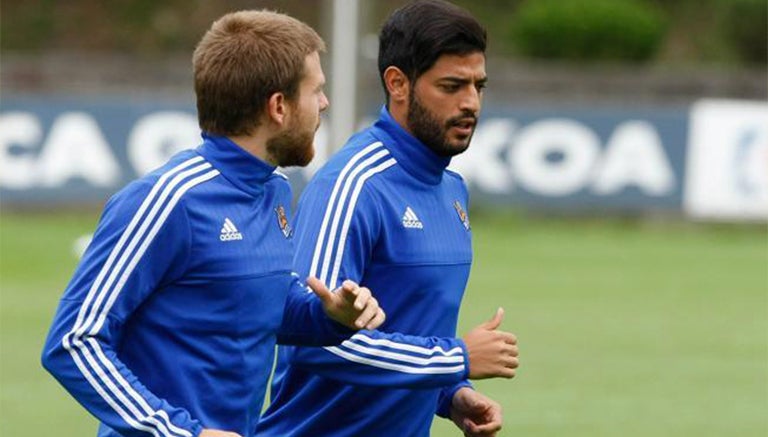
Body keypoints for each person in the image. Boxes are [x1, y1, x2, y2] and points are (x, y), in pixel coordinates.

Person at [40, 10, 386, 437]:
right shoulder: (168, 201)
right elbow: (73, 342)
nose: (325, 103)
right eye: (316, 90)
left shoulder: (274, 191)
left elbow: (254, 311)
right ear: (278, 106)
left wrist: (330, 316)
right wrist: (182, 432)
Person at [257, 1, 517, 436]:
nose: (471, 102)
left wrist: (450, 393)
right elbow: (312, 342)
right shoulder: (354, 185)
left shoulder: (452, 190)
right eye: (452, 86)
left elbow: (411, 334)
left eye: (478, 86)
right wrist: (455, 358)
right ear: (398, 84)